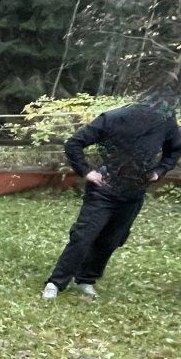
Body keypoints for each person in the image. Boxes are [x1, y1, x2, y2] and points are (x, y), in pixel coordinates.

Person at [42, 86, 181, 299]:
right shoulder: (114, 118)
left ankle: (86, 279)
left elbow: (174, 150)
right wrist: (87, 172)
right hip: (104, 191)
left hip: (134, 193)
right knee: (84, 236)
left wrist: (159, 171)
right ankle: (55, 283)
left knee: (112, 238)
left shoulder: (166, 124)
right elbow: (74, 143)